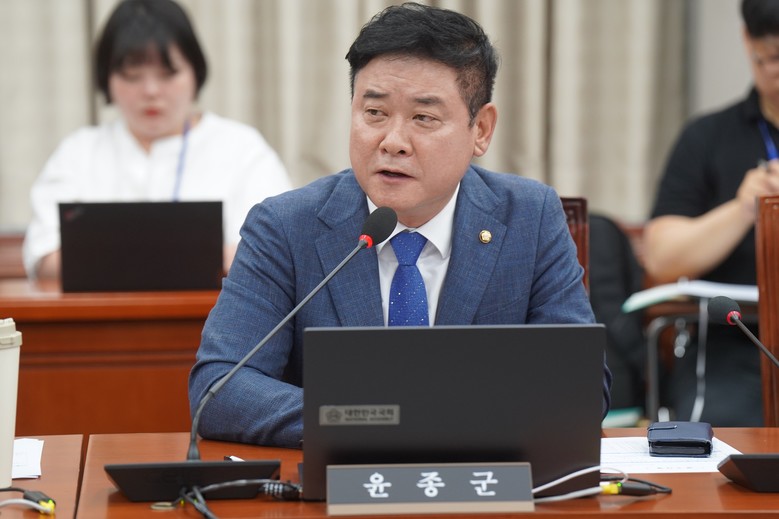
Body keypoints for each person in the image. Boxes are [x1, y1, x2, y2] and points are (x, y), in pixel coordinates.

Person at [189, 2, 611, 448]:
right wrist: (378, 422)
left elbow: (580, 387)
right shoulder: (285, 227)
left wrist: (421, 422)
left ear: (481, 129)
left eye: (423, 118)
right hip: (340, 480)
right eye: (374, 113)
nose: (392, 142)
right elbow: (220, 388)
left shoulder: (529, 217)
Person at [22, 0, 292, 279]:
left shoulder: (242, 149)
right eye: (132, 76)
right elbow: (46, 260)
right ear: (107, 79)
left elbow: (271, 253)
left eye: (167, 74)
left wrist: (117, 258)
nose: (150, 91)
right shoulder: (78, 153)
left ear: (196, 73)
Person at [643, 0, 779, 426]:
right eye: (770, 58)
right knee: (719, 442)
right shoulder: (708, 137)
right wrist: (743, 209)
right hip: (735, 342)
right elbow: (661, 257)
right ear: (747, 41)